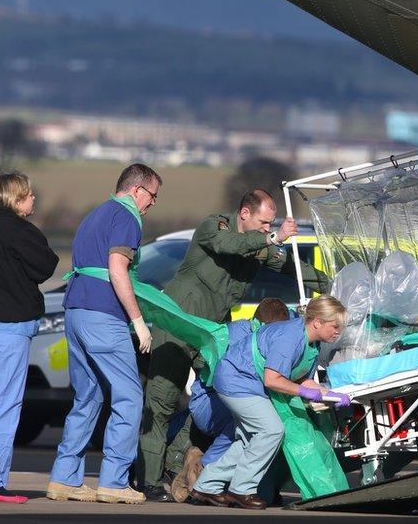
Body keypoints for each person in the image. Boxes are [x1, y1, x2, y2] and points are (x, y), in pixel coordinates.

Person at [137, 188, 331, 501]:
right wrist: (273, 238)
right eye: (264, 222)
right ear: (244, 214)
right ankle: (146, 479)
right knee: (161, 401)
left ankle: (183, 460)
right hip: (179, 326)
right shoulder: (215, 227)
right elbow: (230, 245)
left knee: (225, 397)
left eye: (271, 225)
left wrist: (331, 283)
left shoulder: (261, 244)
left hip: (213, 335)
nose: (268, 229)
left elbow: (291, 268)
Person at [46, 163, 162, 505]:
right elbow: (117, 268)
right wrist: (138, 320)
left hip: (76, 312)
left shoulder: (95, 214)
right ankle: (113, 480)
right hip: (103, 316)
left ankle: (64, 479)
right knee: (129, 397)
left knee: (88, 397)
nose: (153, 203)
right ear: (137, 190)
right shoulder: (127, 217)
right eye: (153, 195)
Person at [189, 295, 350, 510]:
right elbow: (272, 379)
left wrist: (327, 393)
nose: (338, 331)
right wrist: (305, 392)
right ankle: (242, 489)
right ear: (317, 322)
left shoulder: (312, 344)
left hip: (248, 383)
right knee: (272, 430)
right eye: (335, 326)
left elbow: (298, 376)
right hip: (238, 381)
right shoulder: (290, 336)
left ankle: (207, 484)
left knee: (249, 438)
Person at [0, 173, 59, 503]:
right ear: (15, 199)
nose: (33, 198)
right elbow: (46, 265)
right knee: (6, 406)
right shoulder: (15, 228)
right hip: (9, 329)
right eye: (28, 194)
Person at [168, 297, 292, 503]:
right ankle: (202, 467)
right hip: (210, 400)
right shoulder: (231, 335)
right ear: (263, 326)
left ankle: (238, 481)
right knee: (245, 420)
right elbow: (222, 380)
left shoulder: (276, 332)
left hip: (240, 397)